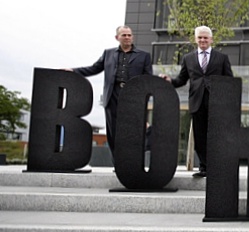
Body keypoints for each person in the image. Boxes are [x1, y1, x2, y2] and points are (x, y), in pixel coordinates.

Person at [65, 25, 153, 163]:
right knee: (113, 132)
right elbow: (94, 68)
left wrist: (145, 99)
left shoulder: (144, 56)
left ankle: (132, 162)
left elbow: (148, 79)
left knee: (133, 131)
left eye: (129, 35)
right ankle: (117, 162)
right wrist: (73, 71)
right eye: (124, 35)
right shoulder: (108, 54)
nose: (127, 37)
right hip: (112, 96)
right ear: (117, 37)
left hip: (133, 98)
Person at [159, 26, 233, 178]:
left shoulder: (222, 58)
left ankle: (218, 166)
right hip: (196, 101)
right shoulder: (188, 58)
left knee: (216, 136)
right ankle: (204, 167)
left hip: (216, 103)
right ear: (195, 39)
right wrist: (169, 81)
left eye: (205, 37)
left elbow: (229, 81)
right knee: (200, 136)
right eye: (200, 37)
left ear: (211, 39)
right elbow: (182, 79)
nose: (203, 40)